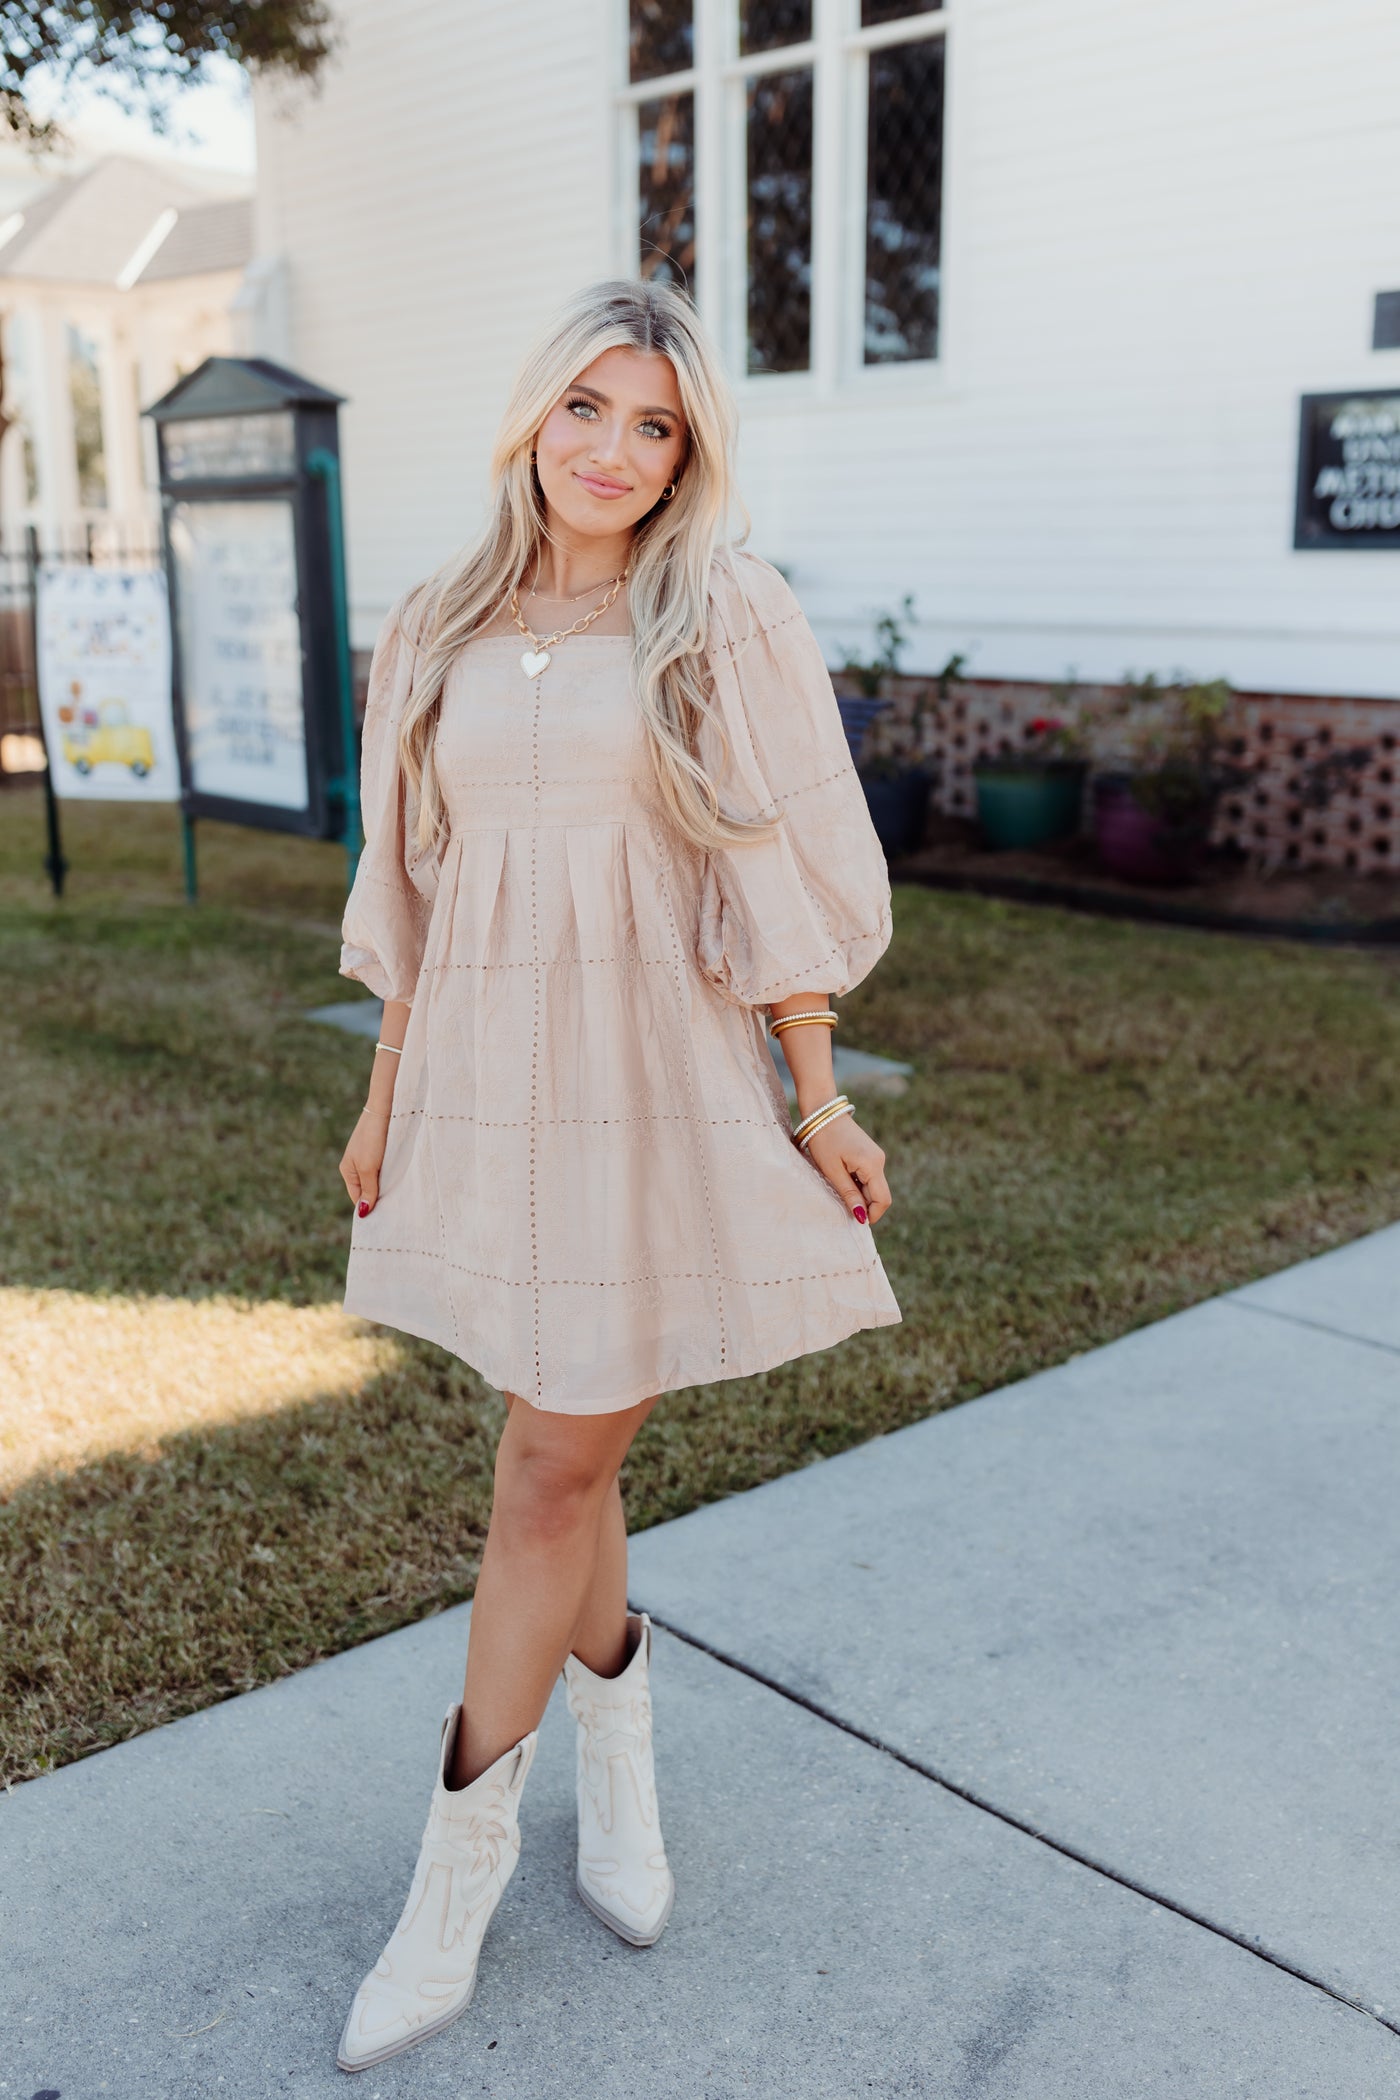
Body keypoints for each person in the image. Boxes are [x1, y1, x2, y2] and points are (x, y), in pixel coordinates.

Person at [333, 276, 901, 2074]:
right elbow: (413, 883)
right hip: (485, 1083)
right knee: (562, 1438)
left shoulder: (718, 611)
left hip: (653, 1076)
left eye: (653, 424)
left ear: (687, 452)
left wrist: (817, 1101)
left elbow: (771, 865)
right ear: (532, 417)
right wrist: (385, 1091)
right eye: (587, 408)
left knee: (545, 1471)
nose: (615, 453)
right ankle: (622, 1743)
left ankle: (454, 1877)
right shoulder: (432, 619)